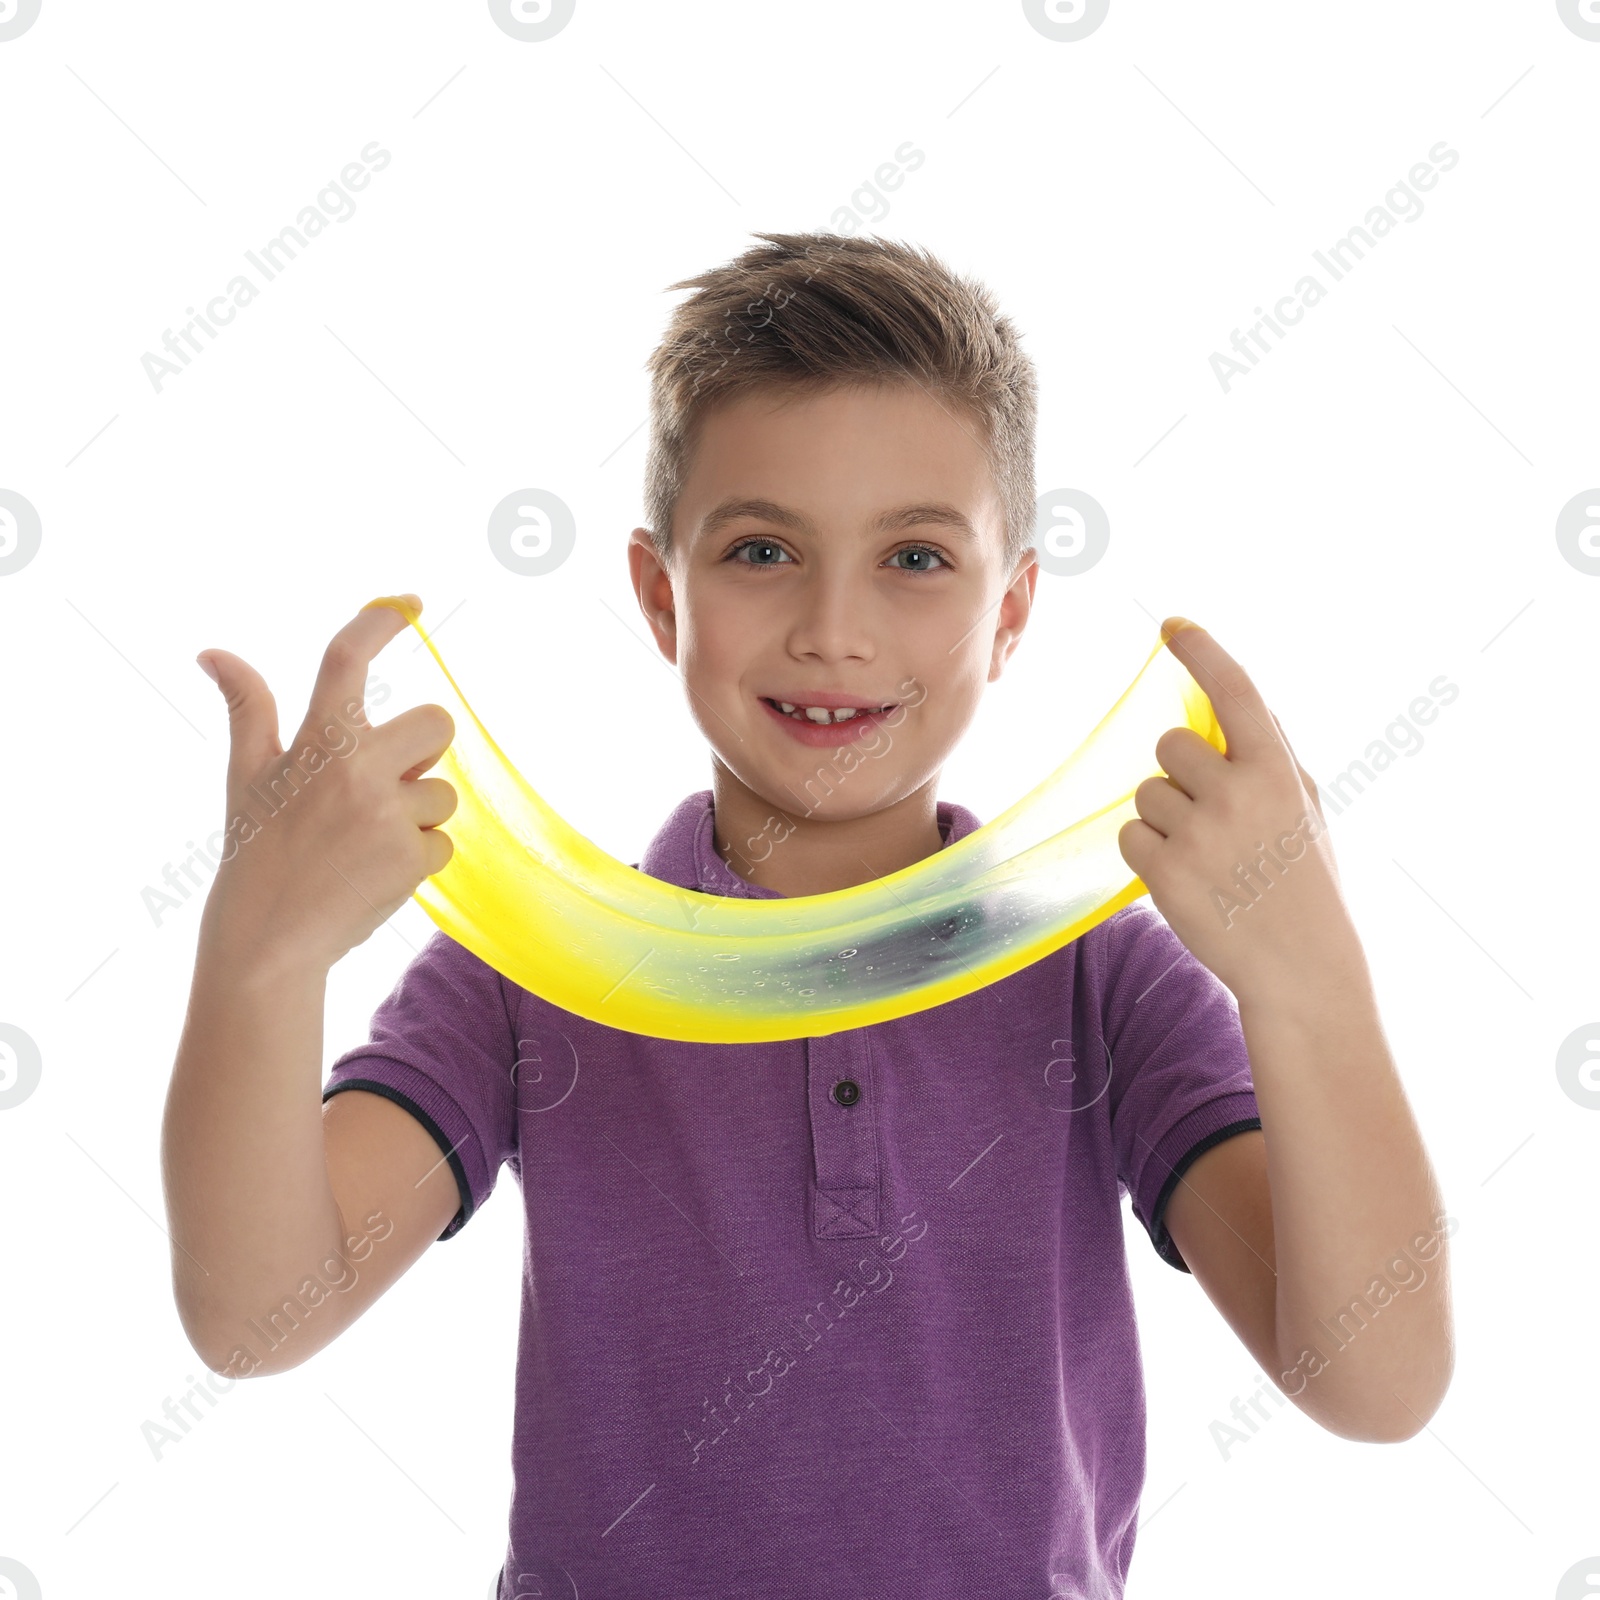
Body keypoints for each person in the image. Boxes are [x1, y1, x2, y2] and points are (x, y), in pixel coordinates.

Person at [162, 231, 1453, 1600]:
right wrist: (262, 954)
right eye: (763, 549)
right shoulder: (538, 973)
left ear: (1011, 614)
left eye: (915, 559)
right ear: (663, 596)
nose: (834, 629)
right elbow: (253, 1315)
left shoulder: (1103, 984)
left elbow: (1378, 1383)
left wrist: (1309, 978)